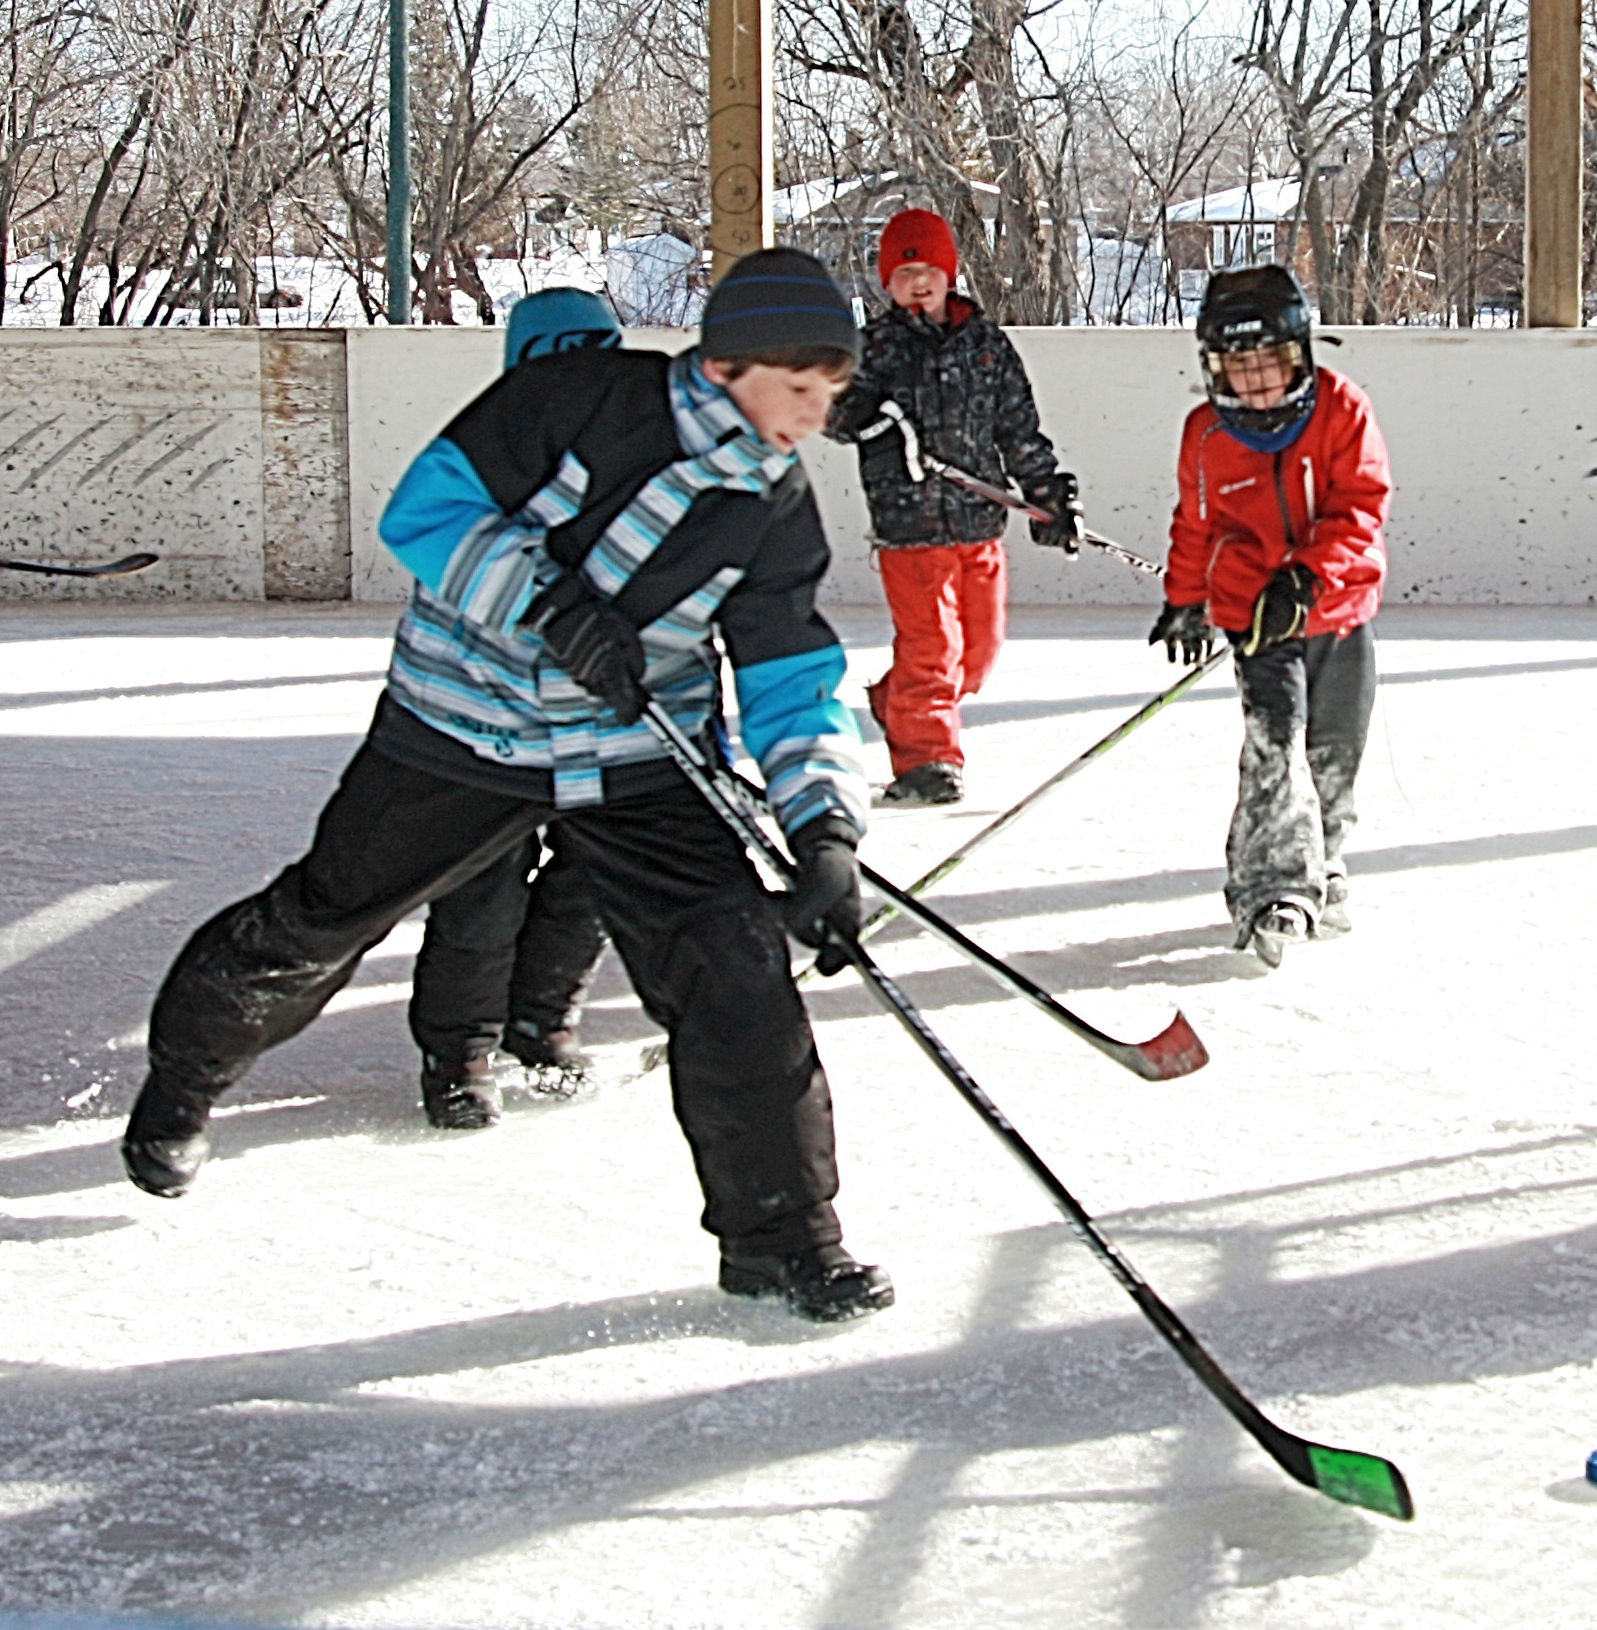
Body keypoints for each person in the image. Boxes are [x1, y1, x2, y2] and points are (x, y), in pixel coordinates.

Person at [119, 248, 895, 1321]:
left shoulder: (772, 504)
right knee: (322, 918)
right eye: (800, 390)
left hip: (632, 752)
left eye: (830, 395)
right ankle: (185, 1079)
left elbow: (788, 669)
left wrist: (823, 830)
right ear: (727, 366)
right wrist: (550, 607)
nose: (814, 416)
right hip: (463, 726)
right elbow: (425, 511)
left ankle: (784, 1240)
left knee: (736, 974)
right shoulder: (577, 400)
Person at [406, 286, 626, 1129]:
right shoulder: (482, 459)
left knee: (599, 867)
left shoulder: (639, 463)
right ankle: (461, 1049)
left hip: (597, 721)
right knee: (480, 887)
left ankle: (541, 1017)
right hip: (486, 720)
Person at [1152, 263, 1389, 968]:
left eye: (1272, 362)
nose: (1256, 381)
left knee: (1335, 751)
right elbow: (1196, 522)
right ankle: (1272, 886)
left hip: (1337, 609)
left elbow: (1361, 508)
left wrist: (1309, 580)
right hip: (1256, 618)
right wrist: (1184, 601)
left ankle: (1325, 858)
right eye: (1238, 365)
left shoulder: (1342, 410)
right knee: (1275, 748)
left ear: (1302, 355)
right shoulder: (1206, 434)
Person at [826, 204, 1079, 809]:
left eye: (928, 268)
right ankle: (927, 761)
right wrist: (867, 416)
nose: (918, 281)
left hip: (977, 522)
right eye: (903, 272)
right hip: (909, 526)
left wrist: (1045, 494)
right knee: (932, 650)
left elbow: (1018, 428)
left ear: (948, 273)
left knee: (977, 654)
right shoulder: (875, 348)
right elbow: (834, 413)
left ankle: (898, 703)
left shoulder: (986, 345)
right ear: (886, 282)